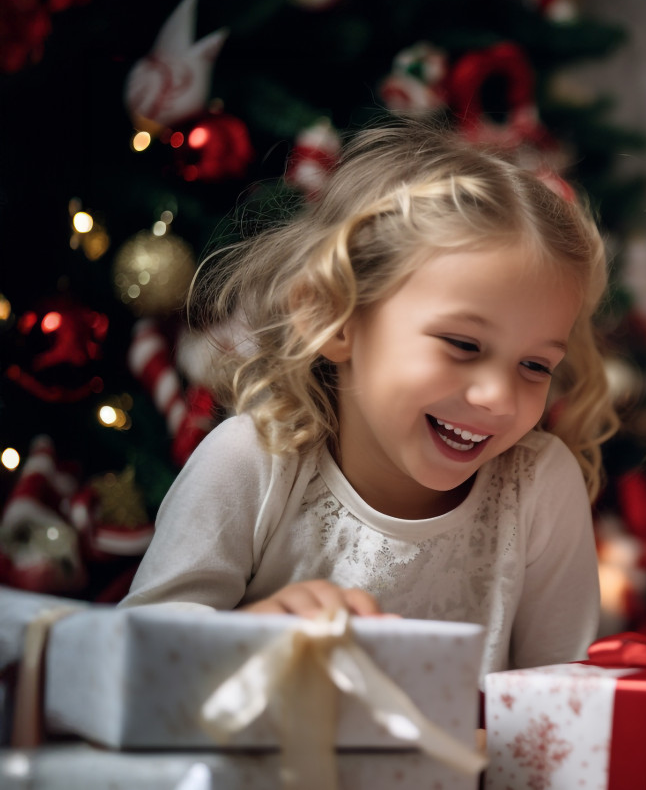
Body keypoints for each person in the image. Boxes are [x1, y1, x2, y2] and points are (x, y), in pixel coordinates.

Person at [121, 120, 617, 679]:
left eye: (535, 365)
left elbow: (561, 705)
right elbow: (128, 663)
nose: (498, 398)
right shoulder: (251, 463)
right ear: (332, 317)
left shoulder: (539, 488)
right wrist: (251, 636)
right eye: (462, 344)